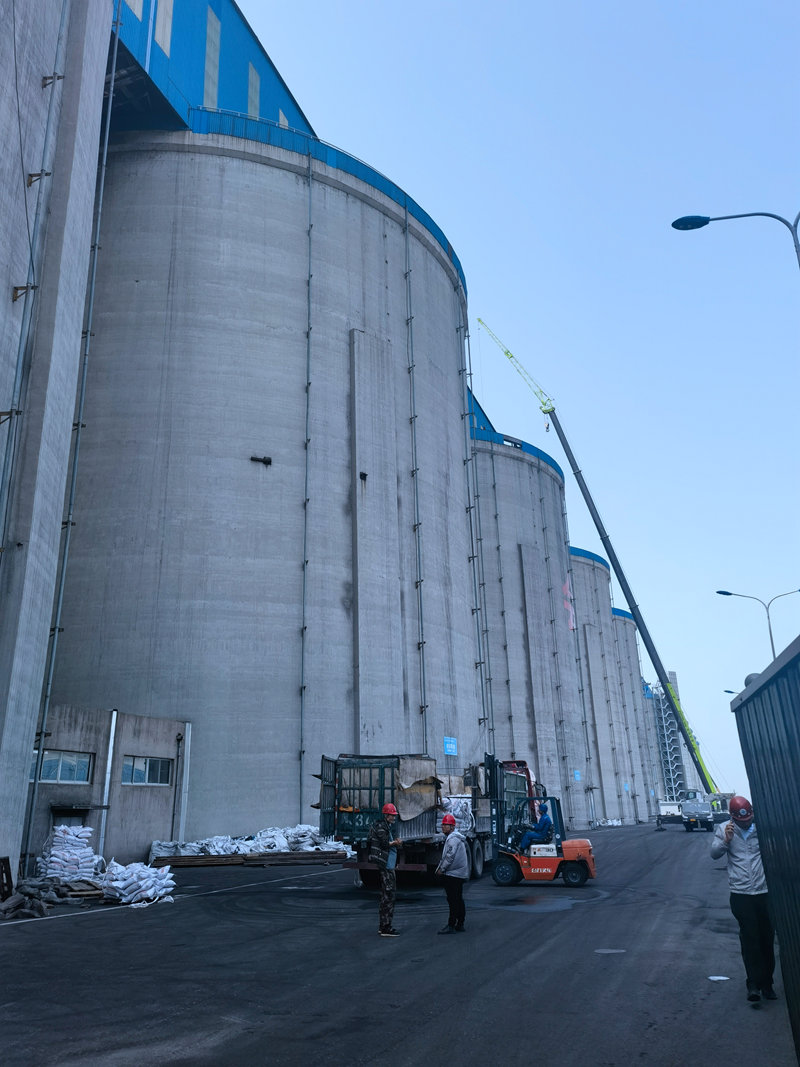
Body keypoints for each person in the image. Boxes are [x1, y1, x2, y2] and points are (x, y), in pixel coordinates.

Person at [710, 795, 776, 1002]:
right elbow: (714, 854)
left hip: (764, 892)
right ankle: (753, 984)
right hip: (741, 894)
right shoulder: (724, 829)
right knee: (750, 940)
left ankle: (768, 984)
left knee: (767, 938)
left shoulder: (761, 828)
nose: (746, 823)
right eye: (741, 821)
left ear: (752, 814)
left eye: (748, 819)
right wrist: (726, 841)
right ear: (733, 817)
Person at [368, 802, 402, 937]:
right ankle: (386, 927)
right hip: (386, 866)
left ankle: (384, 926)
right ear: (386, 815)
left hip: (389, 866)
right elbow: (384, 843)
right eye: (392, 815)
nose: (394, 817)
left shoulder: (386, 826)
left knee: (387, 896)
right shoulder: (381, 827)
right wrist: (396, 843)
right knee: (389, 896)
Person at [435, 812, 469, 934]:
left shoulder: (453, 839)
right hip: (459, 873)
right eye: (443, 825)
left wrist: (441, 869)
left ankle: (451, 925)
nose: (443, 827)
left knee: (453, 900)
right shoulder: (456, 838)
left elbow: (449, 856)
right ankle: (460, 924)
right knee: (458, 899)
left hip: (453, 874)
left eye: (446, 825)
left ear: (452, 827)